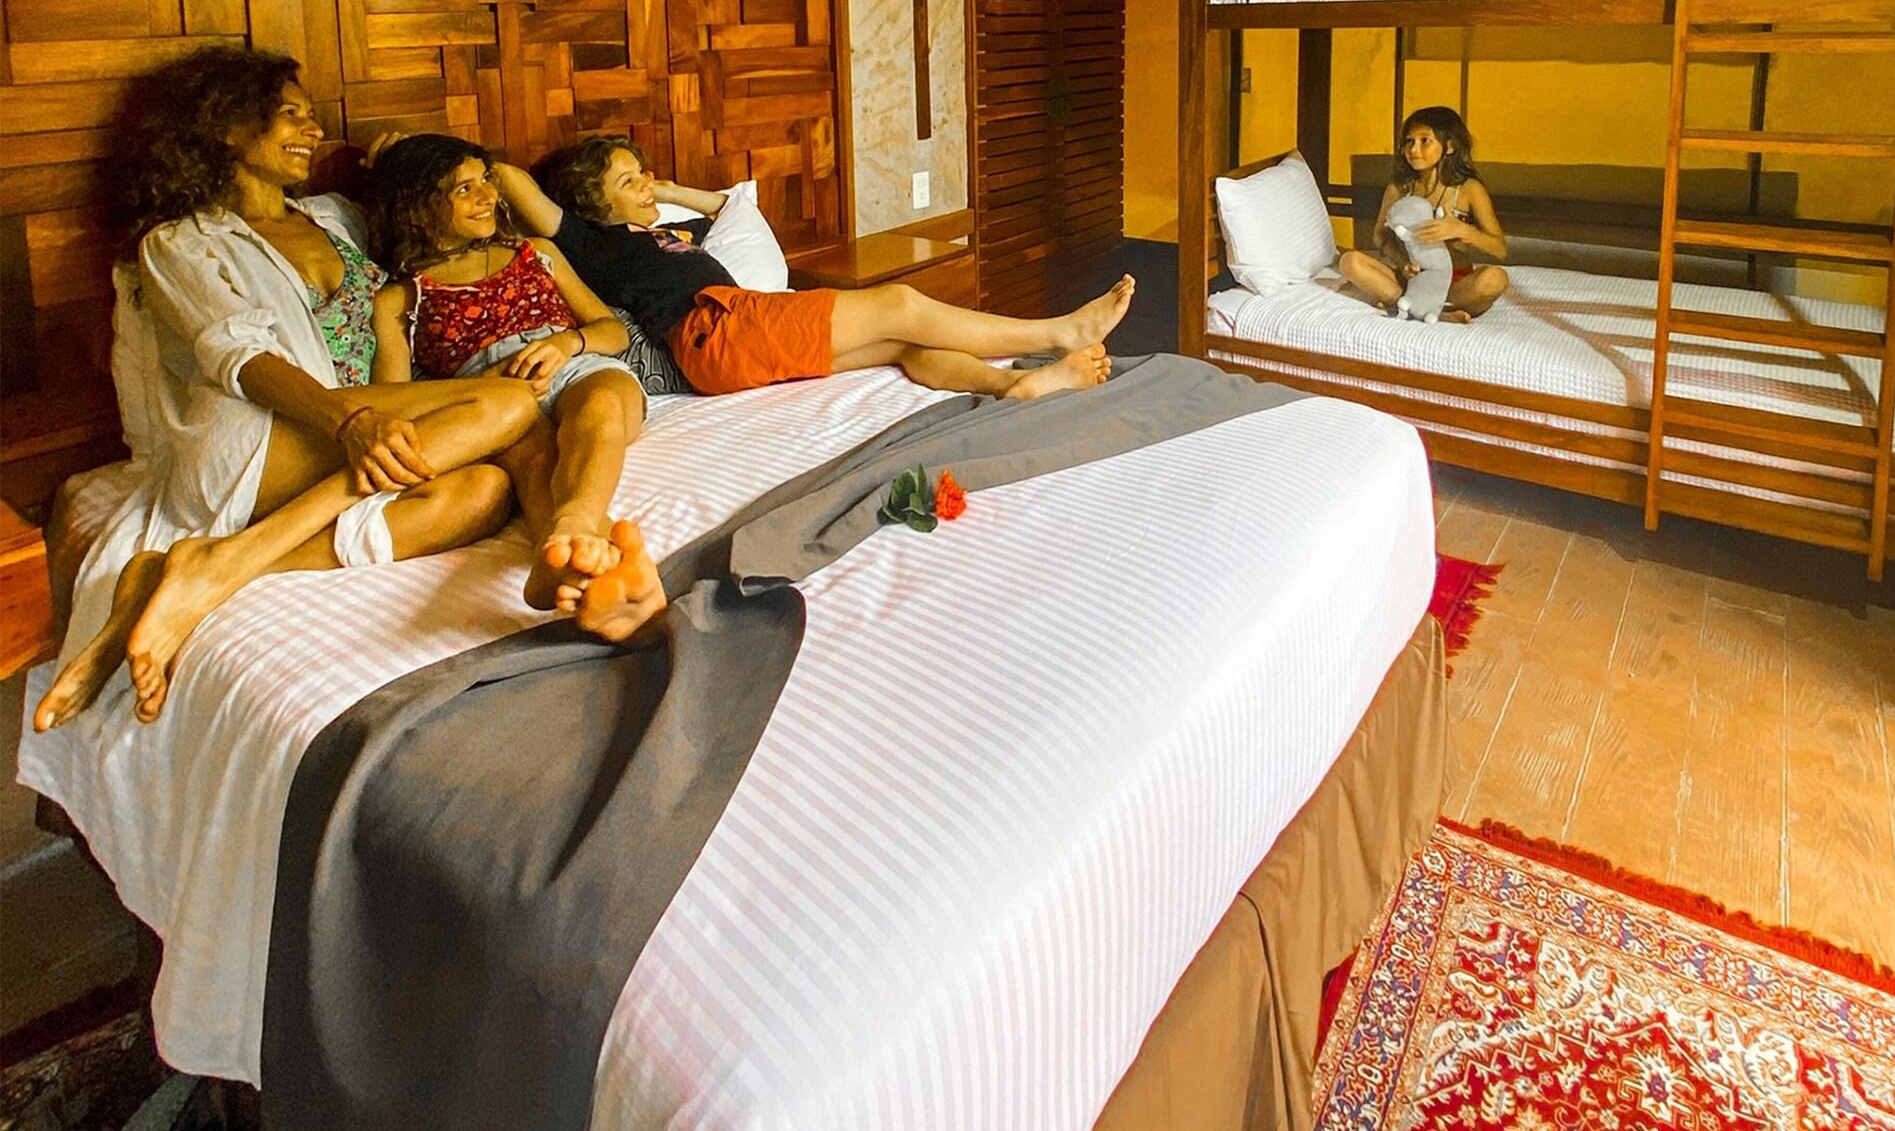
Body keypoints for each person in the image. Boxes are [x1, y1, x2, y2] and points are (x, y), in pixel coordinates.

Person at [33, 49, 541, 732]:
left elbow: (435, 221)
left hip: (336, 434)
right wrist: (349, 424)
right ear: (225, 128)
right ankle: (222, 558)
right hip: (256, 435)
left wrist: (398, 160)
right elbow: (241, 358)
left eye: (314, 116)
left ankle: (215, 567)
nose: (314, 130)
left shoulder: (336, 218)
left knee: (483, 492)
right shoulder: (180, 244)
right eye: (290, 115)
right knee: (509, 404)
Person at [502, 136, 1131, 401]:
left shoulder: (663, 228)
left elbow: (727, 206)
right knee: (899, 302)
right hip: (718, 329)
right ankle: (1058, 331)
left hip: (738, 332)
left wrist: (664, 190)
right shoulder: (594, 241)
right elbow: (517, 185)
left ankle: (1008, 386)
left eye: (643, 174)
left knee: (904, 344)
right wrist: (463, 167)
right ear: (590, 203)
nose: (645, 185)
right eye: (628, 181)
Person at [369, 135, 647, 608]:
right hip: (494, 398)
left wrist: (564, 343)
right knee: (531, 454)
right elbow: (395, 400)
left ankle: (572, 525)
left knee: (599, 405)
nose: (487, 197)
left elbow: (612, 331)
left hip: (577, 364)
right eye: (464, 189)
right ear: (415, 209)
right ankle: (564, 563)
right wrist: (487, 385)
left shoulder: (536, 252)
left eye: (486, 181)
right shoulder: (401, 297)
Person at [1336, 106, 1509, 321]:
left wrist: (1462, 230)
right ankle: (1430, 311)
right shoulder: (1399, 188)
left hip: (1454, 284)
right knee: (1350, 261)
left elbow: (1499, 249)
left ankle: (1412, 306)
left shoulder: (1468, 189)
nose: (1414, 149)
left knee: (1496, 278)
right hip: (1411, 279)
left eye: (1425, 141)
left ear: (1450, 147)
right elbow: (1380, 236)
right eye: (1409, 141)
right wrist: (1402, 262)